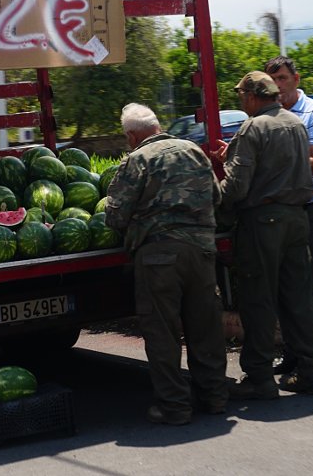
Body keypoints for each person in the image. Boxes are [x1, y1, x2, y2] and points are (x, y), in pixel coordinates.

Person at [105, 103, 228, 425]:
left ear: (131, 136)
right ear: (157, 125)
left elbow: (116, 215)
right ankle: (214, 397)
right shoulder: (194, 151)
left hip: (159, 256)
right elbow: (215, 197)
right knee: (205, 328)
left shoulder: (137, 160)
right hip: (202, 253)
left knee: (163, 332)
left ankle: (174, 406)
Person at [213, 72, 313, 397]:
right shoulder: (294, 123)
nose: (241, 102)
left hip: (263, 222)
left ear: (251, 96)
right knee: (298, 298)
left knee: (258, 300)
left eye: (241, 96)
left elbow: (237, 186)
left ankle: (260, 378)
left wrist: (214, 199)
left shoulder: (252, 127)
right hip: (297, 219)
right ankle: (312, 372)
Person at [264, 55, 313, 375]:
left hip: (311, 207)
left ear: (296, 78)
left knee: (312, 286)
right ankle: (294, 353)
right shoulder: (269, 116)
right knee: (285, 286)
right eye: (271, 80)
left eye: (281, 78)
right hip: (281, 210)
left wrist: (275, 164)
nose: (277, 85)